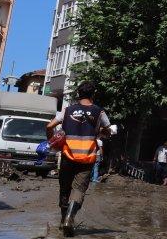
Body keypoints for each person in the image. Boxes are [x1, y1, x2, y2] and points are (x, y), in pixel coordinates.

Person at [47, 81, 111, 237]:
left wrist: (52, 143)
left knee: (65, 188)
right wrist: (101, 132)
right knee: (79, 189)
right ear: (93, 94)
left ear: (78, 94)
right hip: (87, 158)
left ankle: (64, 220)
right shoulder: (99, 112)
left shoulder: (68, 109)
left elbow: (49, 126)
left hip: (68, 156)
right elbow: (108, 131)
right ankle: (70, 217)